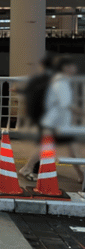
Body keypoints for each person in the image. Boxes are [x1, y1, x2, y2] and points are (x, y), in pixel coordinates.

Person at [39, 55, 84, 184]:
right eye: (72, 66)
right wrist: (83, 113)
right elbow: (66, 104)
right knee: (72, 150)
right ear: (65, 67)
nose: (75, 68)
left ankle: (82, 176)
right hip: (56, 122)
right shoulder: (61, 82)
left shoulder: (61, 80)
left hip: (56, 122)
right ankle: (28, 169)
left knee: (69, 150)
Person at [18, 54, 55, 181]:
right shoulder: (51, 78)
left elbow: (28, 91)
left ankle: (33, 168)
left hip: (40, 114)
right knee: (46, 144)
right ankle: (28, 168)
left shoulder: (40, 78)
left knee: (46, 143)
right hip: (46, 115)